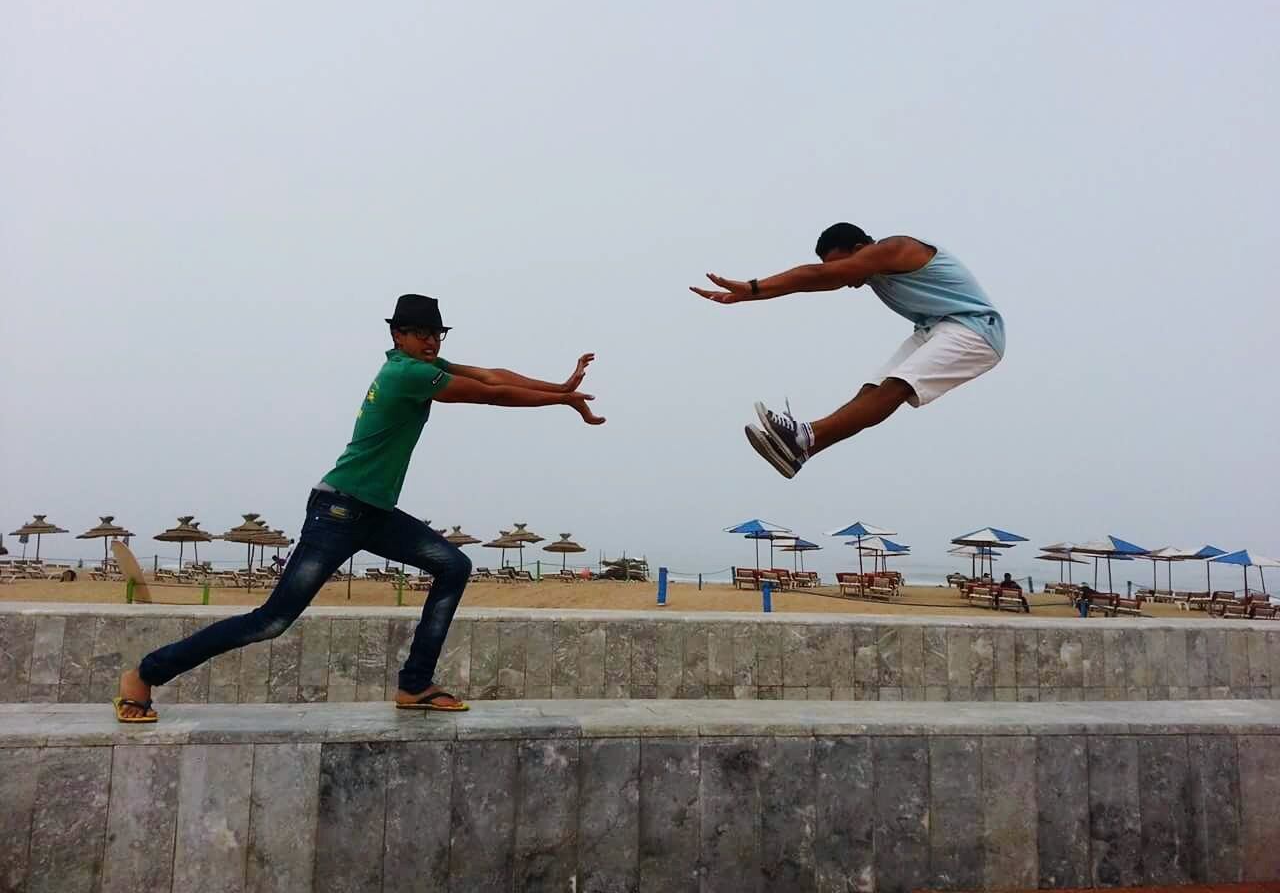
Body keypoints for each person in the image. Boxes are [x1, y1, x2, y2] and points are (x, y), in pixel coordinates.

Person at [114, 294, 605, 722]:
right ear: (398, 335)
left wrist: (561, 388)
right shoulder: (407, 374)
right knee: (272, 621)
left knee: (453, 566)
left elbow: (490, 373)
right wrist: (558, 402)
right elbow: (490, 395)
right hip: (338, 512)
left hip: (373, 513)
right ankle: (144, 675)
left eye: (436, 333)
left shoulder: (423, 366)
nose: (430, 341)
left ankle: (415, 685)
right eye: (419, 333)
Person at [691, 223, 1004, 478]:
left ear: (859, 250)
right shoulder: (872, 271)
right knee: (873, 389)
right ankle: (801, 450)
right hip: (935, 328)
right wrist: (761, 294)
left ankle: (805, 435)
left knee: (896, 387)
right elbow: (822, 280)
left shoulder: (895, 248)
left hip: (976, 328)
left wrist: (754, 289)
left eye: (844, 267)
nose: (847, 281)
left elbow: (818, 276)